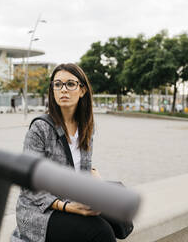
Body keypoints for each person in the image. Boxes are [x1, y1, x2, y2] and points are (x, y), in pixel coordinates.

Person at [11, 63, 116, 242]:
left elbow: (81, 172)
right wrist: (69, 207)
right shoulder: (40, 128)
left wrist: (95, 179)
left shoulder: (86, 128)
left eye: (70, 84)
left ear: (82, 90)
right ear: (52, 90)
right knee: (100, 232)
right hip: (40, 211)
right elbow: (28, 182)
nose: (63, 90)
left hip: (72, 199)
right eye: (58, 84)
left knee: (116, 218)